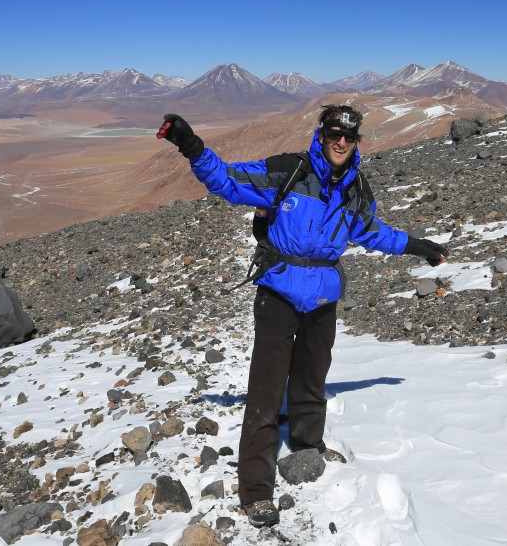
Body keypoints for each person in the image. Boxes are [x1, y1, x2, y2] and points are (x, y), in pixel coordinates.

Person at [157, 105, 448, 528]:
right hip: (278, 292)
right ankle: (256, 489)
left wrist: (417, 246)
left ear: (356, 141)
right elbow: (227, 180)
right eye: (335, 134)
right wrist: (190, 145)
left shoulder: (357, 189)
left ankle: (307, 444)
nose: (341, 142)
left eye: (349, 137)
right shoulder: (288, 172)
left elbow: (373, 232)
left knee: (312, 377)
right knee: (265, 392)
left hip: (322, 299)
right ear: (324, 134)